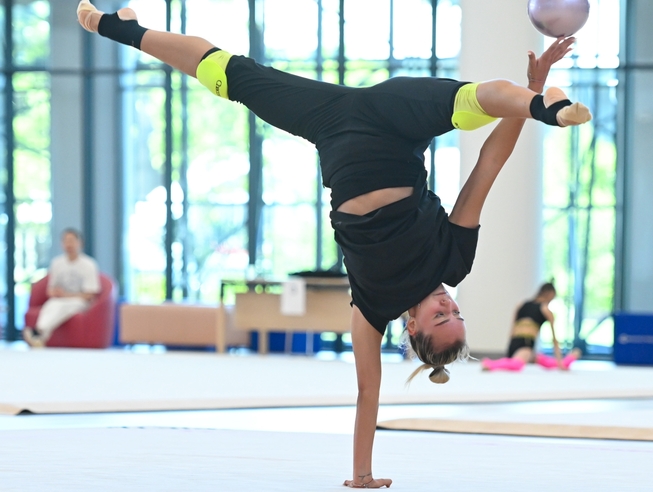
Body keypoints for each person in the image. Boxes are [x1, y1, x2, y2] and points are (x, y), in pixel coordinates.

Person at [76, 2, 591, 487]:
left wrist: (361, 473)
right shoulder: (454, 262)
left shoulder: (373, 309)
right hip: (396, 122)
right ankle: (546, 106)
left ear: (411, 328)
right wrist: (530, 97)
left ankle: (116, 27)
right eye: (455, 310)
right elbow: (486, 169)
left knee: (227, 74)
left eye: (440, 316)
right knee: (473, 100)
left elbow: (369, 393)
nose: (446, 303)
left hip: (335, 129)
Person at [22, 228, 100, 348]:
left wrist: (67, 295)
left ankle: (39, 332)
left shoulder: (89, 264)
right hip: (59, 299)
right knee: (51, 305)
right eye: (66, 241)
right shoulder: (57, 263)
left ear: (80, 243)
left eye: (72, 241)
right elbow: (50, 290)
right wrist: (57, 294)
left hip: (80, 301)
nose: (69, 244)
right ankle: (39, 335)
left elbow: (90, 294)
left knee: (64, 305)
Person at [481, 282, 579, 371]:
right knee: (517, 364)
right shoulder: (545, 309)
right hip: (526, 344)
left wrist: (510, 348)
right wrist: (559, 357)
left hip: (515, 343)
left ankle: (568, 360)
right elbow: (554, 339)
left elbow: (512, 330)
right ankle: (490, 364)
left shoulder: (521, 304)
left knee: (542, 361)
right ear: (550, 295)